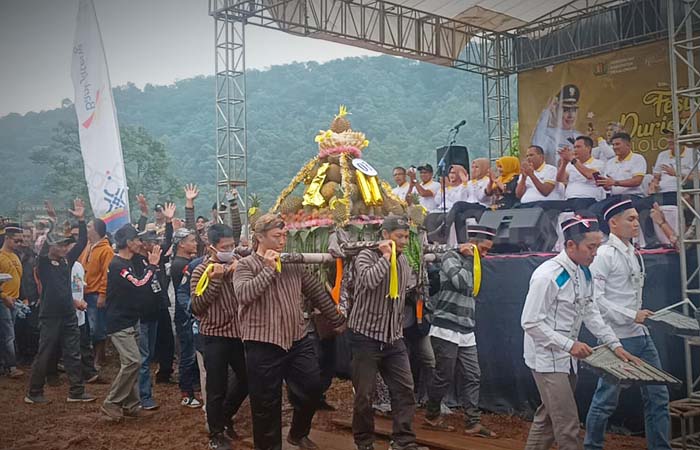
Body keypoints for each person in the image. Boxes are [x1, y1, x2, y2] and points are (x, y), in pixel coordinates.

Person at [521, 214, 637, 450]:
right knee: (568, 425)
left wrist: (615, 344)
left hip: (567, 358)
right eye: (590, 247)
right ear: (570, 245)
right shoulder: (547, 275)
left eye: (597, 246)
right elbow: (530, 322)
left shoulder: (585, 272)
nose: (595, 253)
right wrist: (569, 345)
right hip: (547, 359)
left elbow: (591, 312)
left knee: (547, 418)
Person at [233, 213, 346, 450]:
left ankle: (298, 432)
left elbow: (315, 290)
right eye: (276, 236)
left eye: (284, 235)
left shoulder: (293, 262)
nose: (282, 241)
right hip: (262, 342)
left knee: (313, 386)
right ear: (260, 238)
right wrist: (268, 270)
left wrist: (335, 319)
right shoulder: (245, 265)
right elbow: (244, 295)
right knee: (266, 403)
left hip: (296, 338)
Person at [584, 198, 672, 450]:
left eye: (636, 218)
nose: (636, 223)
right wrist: (630, 314)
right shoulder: (604, 254)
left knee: (658, 396)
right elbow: (595, 299)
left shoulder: (632, 251)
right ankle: (592, 446)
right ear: (613, 222)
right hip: (617, 338)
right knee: (606, 400)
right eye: (630, 219)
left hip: (641, 336)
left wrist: (636, 318)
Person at [348, 215, 428, 450]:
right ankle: (364, 443)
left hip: (393, 337)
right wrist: (385, 257)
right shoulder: (365, 255)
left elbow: (407, 290)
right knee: (364, 396)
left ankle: (403, 441)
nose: (403, 241)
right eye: (399, 236)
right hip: (365, 336)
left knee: (405, 389)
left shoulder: (404, 262)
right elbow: (369, 280)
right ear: (385, 235)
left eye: (406, 236)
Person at [424, 225, 497, 438]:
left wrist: (473, 259)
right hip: (445, 327)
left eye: (487, 251)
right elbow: (461, 282)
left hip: (466, 328)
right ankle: (431, 414)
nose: (484, 254)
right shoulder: (450, 256)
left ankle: (473, 422)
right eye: (482, 249)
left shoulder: (475, 263)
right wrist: (468, 258)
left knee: (473, 375)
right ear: (471, 243)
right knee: (444, 376)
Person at [25, 198, 96, 404]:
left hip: (67, 314)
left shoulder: (66, 261)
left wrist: (82, 220)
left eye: (66, 244)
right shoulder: (44, 262)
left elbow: (81, 242)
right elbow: (48, 241)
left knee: (73, 353)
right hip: (49, 315)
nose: (65, 247)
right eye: (61, 244)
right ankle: (34, 392)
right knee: (45, 353)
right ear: (51, 247)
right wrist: (53, 220)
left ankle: (76, 391)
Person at [191, 223, 248, 450]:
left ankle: (225, 416)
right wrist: (216, 279)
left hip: (238, 333)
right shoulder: (200, 271)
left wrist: (234, 272)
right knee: (216, 387)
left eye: (232, 245)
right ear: (212, 248)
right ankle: (215, 433)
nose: (230, 249)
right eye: (225, 246)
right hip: (214, 335)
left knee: (248, 378)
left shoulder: (239, 266)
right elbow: (197, 306)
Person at [101, 224, 161, 421]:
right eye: (136, 239)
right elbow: (139, 285)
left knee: (133, 363)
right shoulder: (118, 265)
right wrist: (152, 266)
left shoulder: (129, 261)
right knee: (132, 361)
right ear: (128, 243)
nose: (140, 243)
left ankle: (131, 404)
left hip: (131, 319)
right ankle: (111, 403)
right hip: (119, 323)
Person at [135, 202, 175, 410]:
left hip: (157, 308)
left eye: (154, 239)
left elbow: (168, 241)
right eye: (150, 240)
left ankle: (156, 381)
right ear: (141, 243)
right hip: (142, 314)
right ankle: (142, 395)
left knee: (153, 351)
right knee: (142, 357)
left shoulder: (155, 258)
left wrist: (169, 222)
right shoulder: (134, 261)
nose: (155, 242)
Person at [170, 227, 201, 408]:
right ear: (181, 244)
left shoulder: (185, 262)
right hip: (185, 316)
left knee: (192, 353)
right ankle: (186, 393)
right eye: (191, 240)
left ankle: (193, 386)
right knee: (187, 355)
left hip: (188, 314)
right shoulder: (180, 265)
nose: (195, 243)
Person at [78, 218, 113, 371]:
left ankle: (99, 358)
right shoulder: (88, 246)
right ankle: (91, 358)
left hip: (95, 294)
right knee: (87, 327)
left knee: (97, 327)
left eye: (89, 226)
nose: (87, 228)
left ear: (96, 230)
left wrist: (103, 294)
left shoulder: (106, 250)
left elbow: (107, 274)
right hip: (84, 293)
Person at [532, 84, 584, 165]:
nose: (570, 115)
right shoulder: (547, 134)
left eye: (573, 110)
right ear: (555, 110)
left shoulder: (579, 137)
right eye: (565, 110)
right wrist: (547, 111)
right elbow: (537, 147)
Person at [446, 158, 493, 244]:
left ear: (483, 168)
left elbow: (481, 197)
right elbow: (461, 198)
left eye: (477, 167)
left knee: (458, 205)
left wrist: (474, 184)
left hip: (482, 206)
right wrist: (464, 183)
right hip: (470, 206)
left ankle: (445, 226)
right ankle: (462, 243)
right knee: (459, 215)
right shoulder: (470, 182)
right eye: (472, 167)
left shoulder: (487, 181)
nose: (474, 170)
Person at [0, 223, 24, 378]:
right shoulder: (0, 257)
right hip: (3, 301)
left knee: (7, 334)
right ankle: (11, 366)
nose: (19, 244)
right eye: (17, 241)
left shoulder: (15, 256)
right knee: (9, 335)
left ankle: (4, 364)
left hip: (14, 300)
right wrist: (4, 295)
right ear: (7, 239)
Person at [556, 136, 606, 211]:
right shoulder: (571, 165)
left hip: (588, 199)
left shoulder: (599, 163)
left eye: (578, 147)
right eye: (574, 147)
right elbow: (560, 179)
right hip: (569, 199)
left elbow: (589, 175)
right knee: (543, 206)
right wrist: (564, 163)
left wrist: (573, 160)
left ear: (588, 148)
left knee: (578, 205)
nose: (575, 150)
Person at [649, 128, 695, 205]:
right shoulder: (662, 155)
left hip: (679, 192)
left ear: (682, 138)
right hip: (661, 192)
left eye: (672, 137)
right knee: (640, 205)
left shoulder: (692, 153)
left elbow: (697, 177)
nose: (669, 140)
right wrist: (653, 184)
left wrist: (676, 173)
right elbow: (656, 177)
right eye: (668, 137)